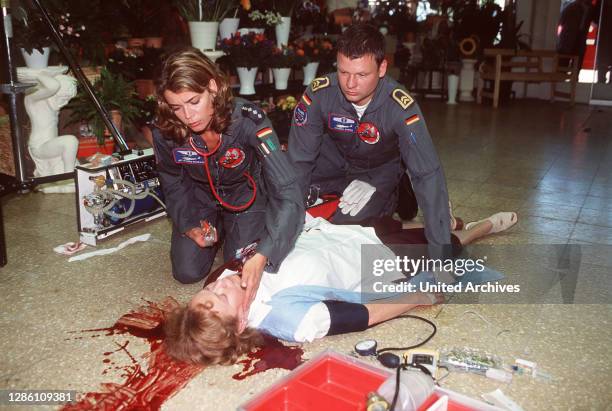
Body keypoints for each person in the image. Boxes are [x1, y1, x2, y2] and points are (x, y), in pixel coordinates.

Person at [163, 210, 518, 366]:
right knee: (445, 245)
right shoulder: (291, 318)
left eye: (209, 290)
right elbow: (363, 316)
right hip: (377, 261)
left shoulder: (222, 281)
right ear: (241, 322)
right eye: (222, 295)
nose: (221, 282)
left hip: (335, 232)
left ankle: (435, 222)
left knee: (386, 219)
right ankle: (478, 228)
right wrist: (417, 298)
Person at [152, 48, 304, 312]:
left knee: (239, 267)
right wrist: (188, 223)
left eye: (193, 101)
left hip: (245, 198)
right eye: (177, 107)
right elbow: (172, 180)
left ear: (211, 87)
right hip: (199, 200)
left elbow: (288, 190)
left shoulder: (249, 120)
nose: (187, 115)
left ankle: (235, 234)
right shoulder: (165, 128)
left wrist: (266, 252)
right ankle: (217, 231)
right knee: (186, 272)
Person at [288, 23, 451, 253]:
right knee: (282, 196)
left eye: (362, 74)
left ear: (382, 68)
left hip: (379, 169)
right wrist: (288, 223)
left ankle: (397, 192)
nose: (350, 84)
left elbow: (428, 175)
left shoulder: (401, 108)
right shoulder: (320, 93)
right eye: (343, 72)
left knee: (344, 230)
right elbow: (299, 161)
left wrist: (440, 256)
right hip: (334, 164)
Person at [23, 69, 79, 182]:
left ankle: (68, 177)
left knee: (73, 155)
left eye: (68, 100)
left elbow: (54, 87)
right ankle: (68, 179)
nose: (65, 103)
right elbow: (53, 86)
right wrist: (40, 73)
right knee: (70, 141)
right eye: (63, 98)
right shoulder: (32, 101)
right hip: (39, 146)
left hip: (49, 145)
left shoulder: (53, 105)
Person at [556, 0, 597, 71]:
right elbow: (561, 21)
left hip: (576, 39)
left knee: (575, 64)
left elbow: (561, 21)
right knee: (564, 64)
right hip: (568, 40)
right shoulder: (572, 7)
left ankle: (571, 76)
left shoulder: (589, 9)